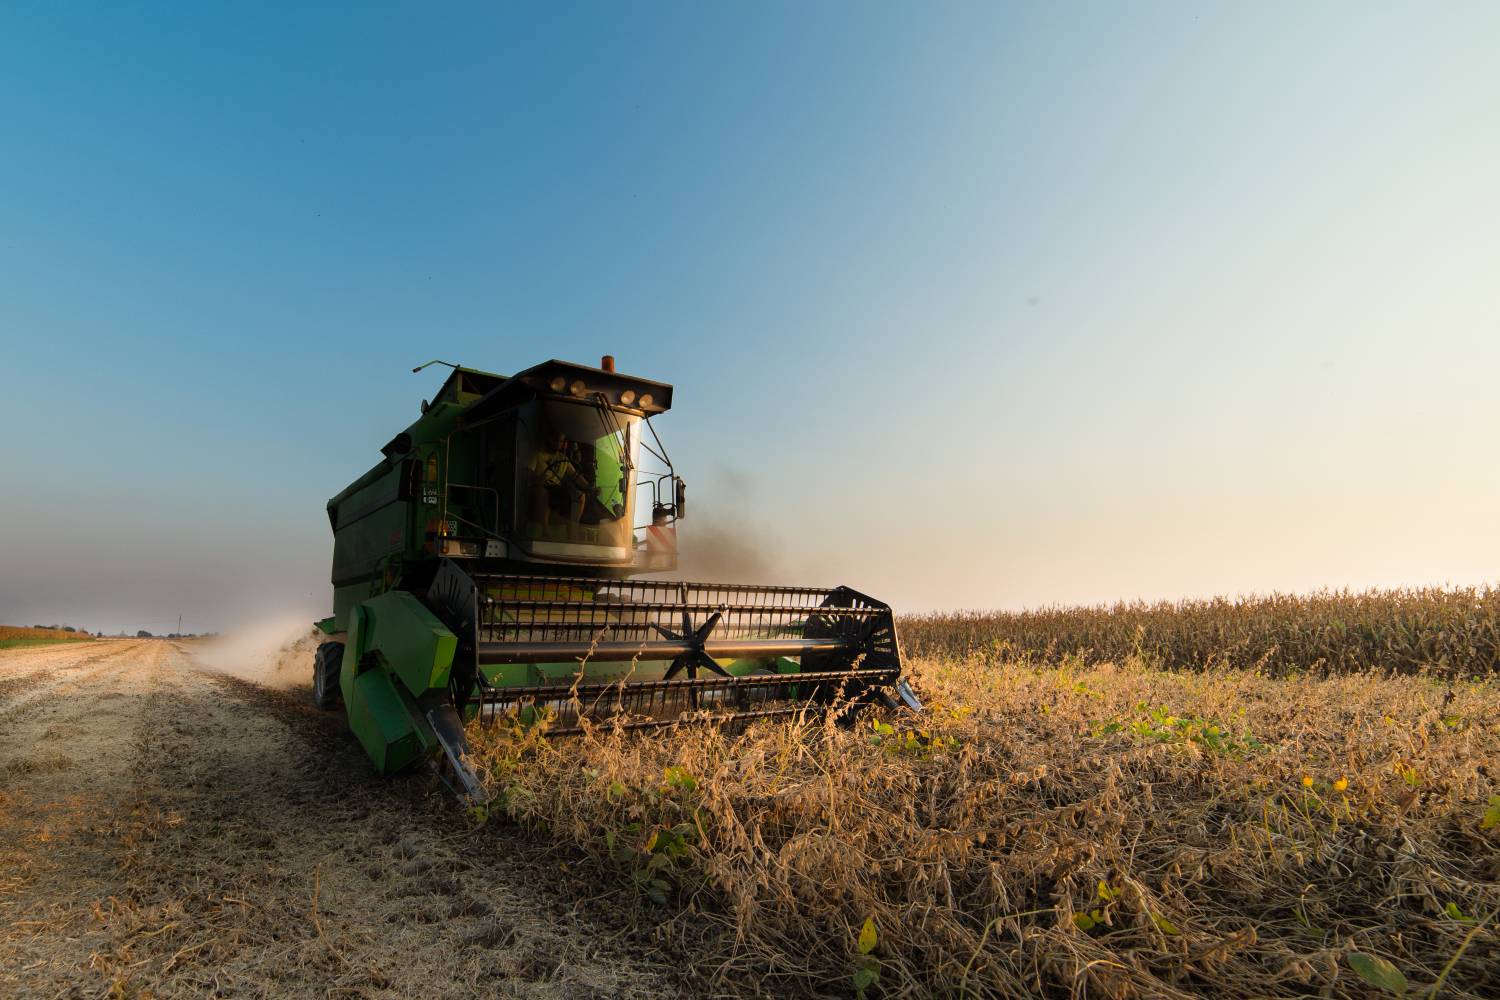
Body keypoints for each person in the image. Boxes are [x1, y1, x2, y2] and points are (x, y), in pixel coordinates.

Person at [528, 430, 591, 534]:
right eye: (556, 440)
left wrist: (589, 487)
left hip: (557, 489)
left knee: (580, 496)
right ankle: (545, 530)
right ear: (550, 440)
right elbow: (527, 473)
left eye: (561, 441)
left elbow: (575, 476)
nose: (558, 443)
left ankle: (574, 528)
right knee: (542, 492)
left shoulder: (563, 458)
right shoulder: (537, 455)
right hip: (541, 486)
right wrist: (537, 479)